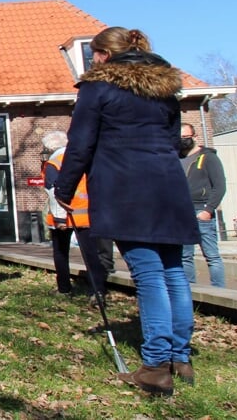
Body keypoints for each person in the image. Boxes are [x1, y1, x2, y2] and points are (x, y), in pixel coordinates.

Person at [54, 26, 199, 396]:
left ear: (101, 55)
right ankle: (180, 358)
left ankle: (154, 366)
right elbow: (171, 141)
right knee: (174, 272)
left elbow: (81, 143)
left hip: (127, 188)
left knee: (149, 274)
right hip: (169, 186)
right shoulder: (165, 89)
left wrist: (65, 188)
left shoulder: (98, 87)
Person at [41, 131, 108, 303]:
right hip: (86, 214)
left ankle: (64, 288)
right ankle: (98, 290)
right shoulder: (84, 158)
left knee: (61, 252)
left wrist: (60, 218)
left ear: (49, 147)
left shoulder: (53, 163)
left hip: (64, 215)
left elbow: (53, 191)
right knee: (92, 254)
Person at [179, 122, 227, 288]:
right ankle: (190, 290)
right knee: (185, 256)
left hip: (201, 210)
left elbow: (219, 186)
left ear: (194, 137)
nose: (182, 141)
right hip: (182, 212)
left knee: (212, 256)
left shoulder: (208, 158)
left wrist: (208, 210)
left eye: (185, 137)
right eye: (180, 138)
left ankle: (220, 292)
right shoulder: (177, 159)